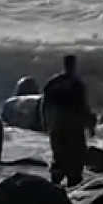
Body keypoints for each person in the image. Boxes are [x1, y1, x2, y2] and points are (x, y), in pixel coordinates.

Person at [41, 54, 96, 187]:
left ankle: (55, 183)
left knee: (58, 153)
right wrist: (90, 125)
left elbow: (44, 104)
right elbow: (82, 105)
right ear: (74, 65)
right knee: (76, 153)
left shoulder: (53, 82)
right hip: (72, 122)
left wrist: (44, 122)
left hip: (55, 121)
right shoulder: (77, 83)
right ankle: (73, 184)